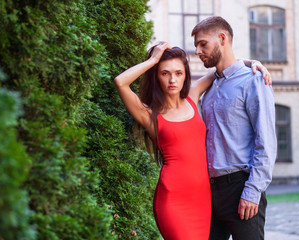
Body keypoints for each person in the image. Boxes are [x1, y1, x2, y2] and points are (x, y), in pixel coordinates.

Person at [114, 43, 270, 239]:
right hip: (173, 200)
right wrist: (153, 60)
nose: (173, 79)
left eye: (178, 73)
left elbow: (224, 67)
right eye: (165, 73)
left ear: (185, 75)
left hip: (204, 199)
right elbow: (120, 82)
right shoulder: (149, 115)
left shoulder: (192, 97)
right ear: (156, 76)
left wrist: (253, 63)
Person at [191, 16, 277, 240]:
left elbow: (265, 140)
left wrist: (253, 190)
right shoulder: (209, 89)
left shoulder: (253, 80)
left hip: (241, 187)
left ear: (222, 38)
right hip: (210, 191)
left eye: (203, 44)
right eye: (196, 46)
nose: (198, 51)